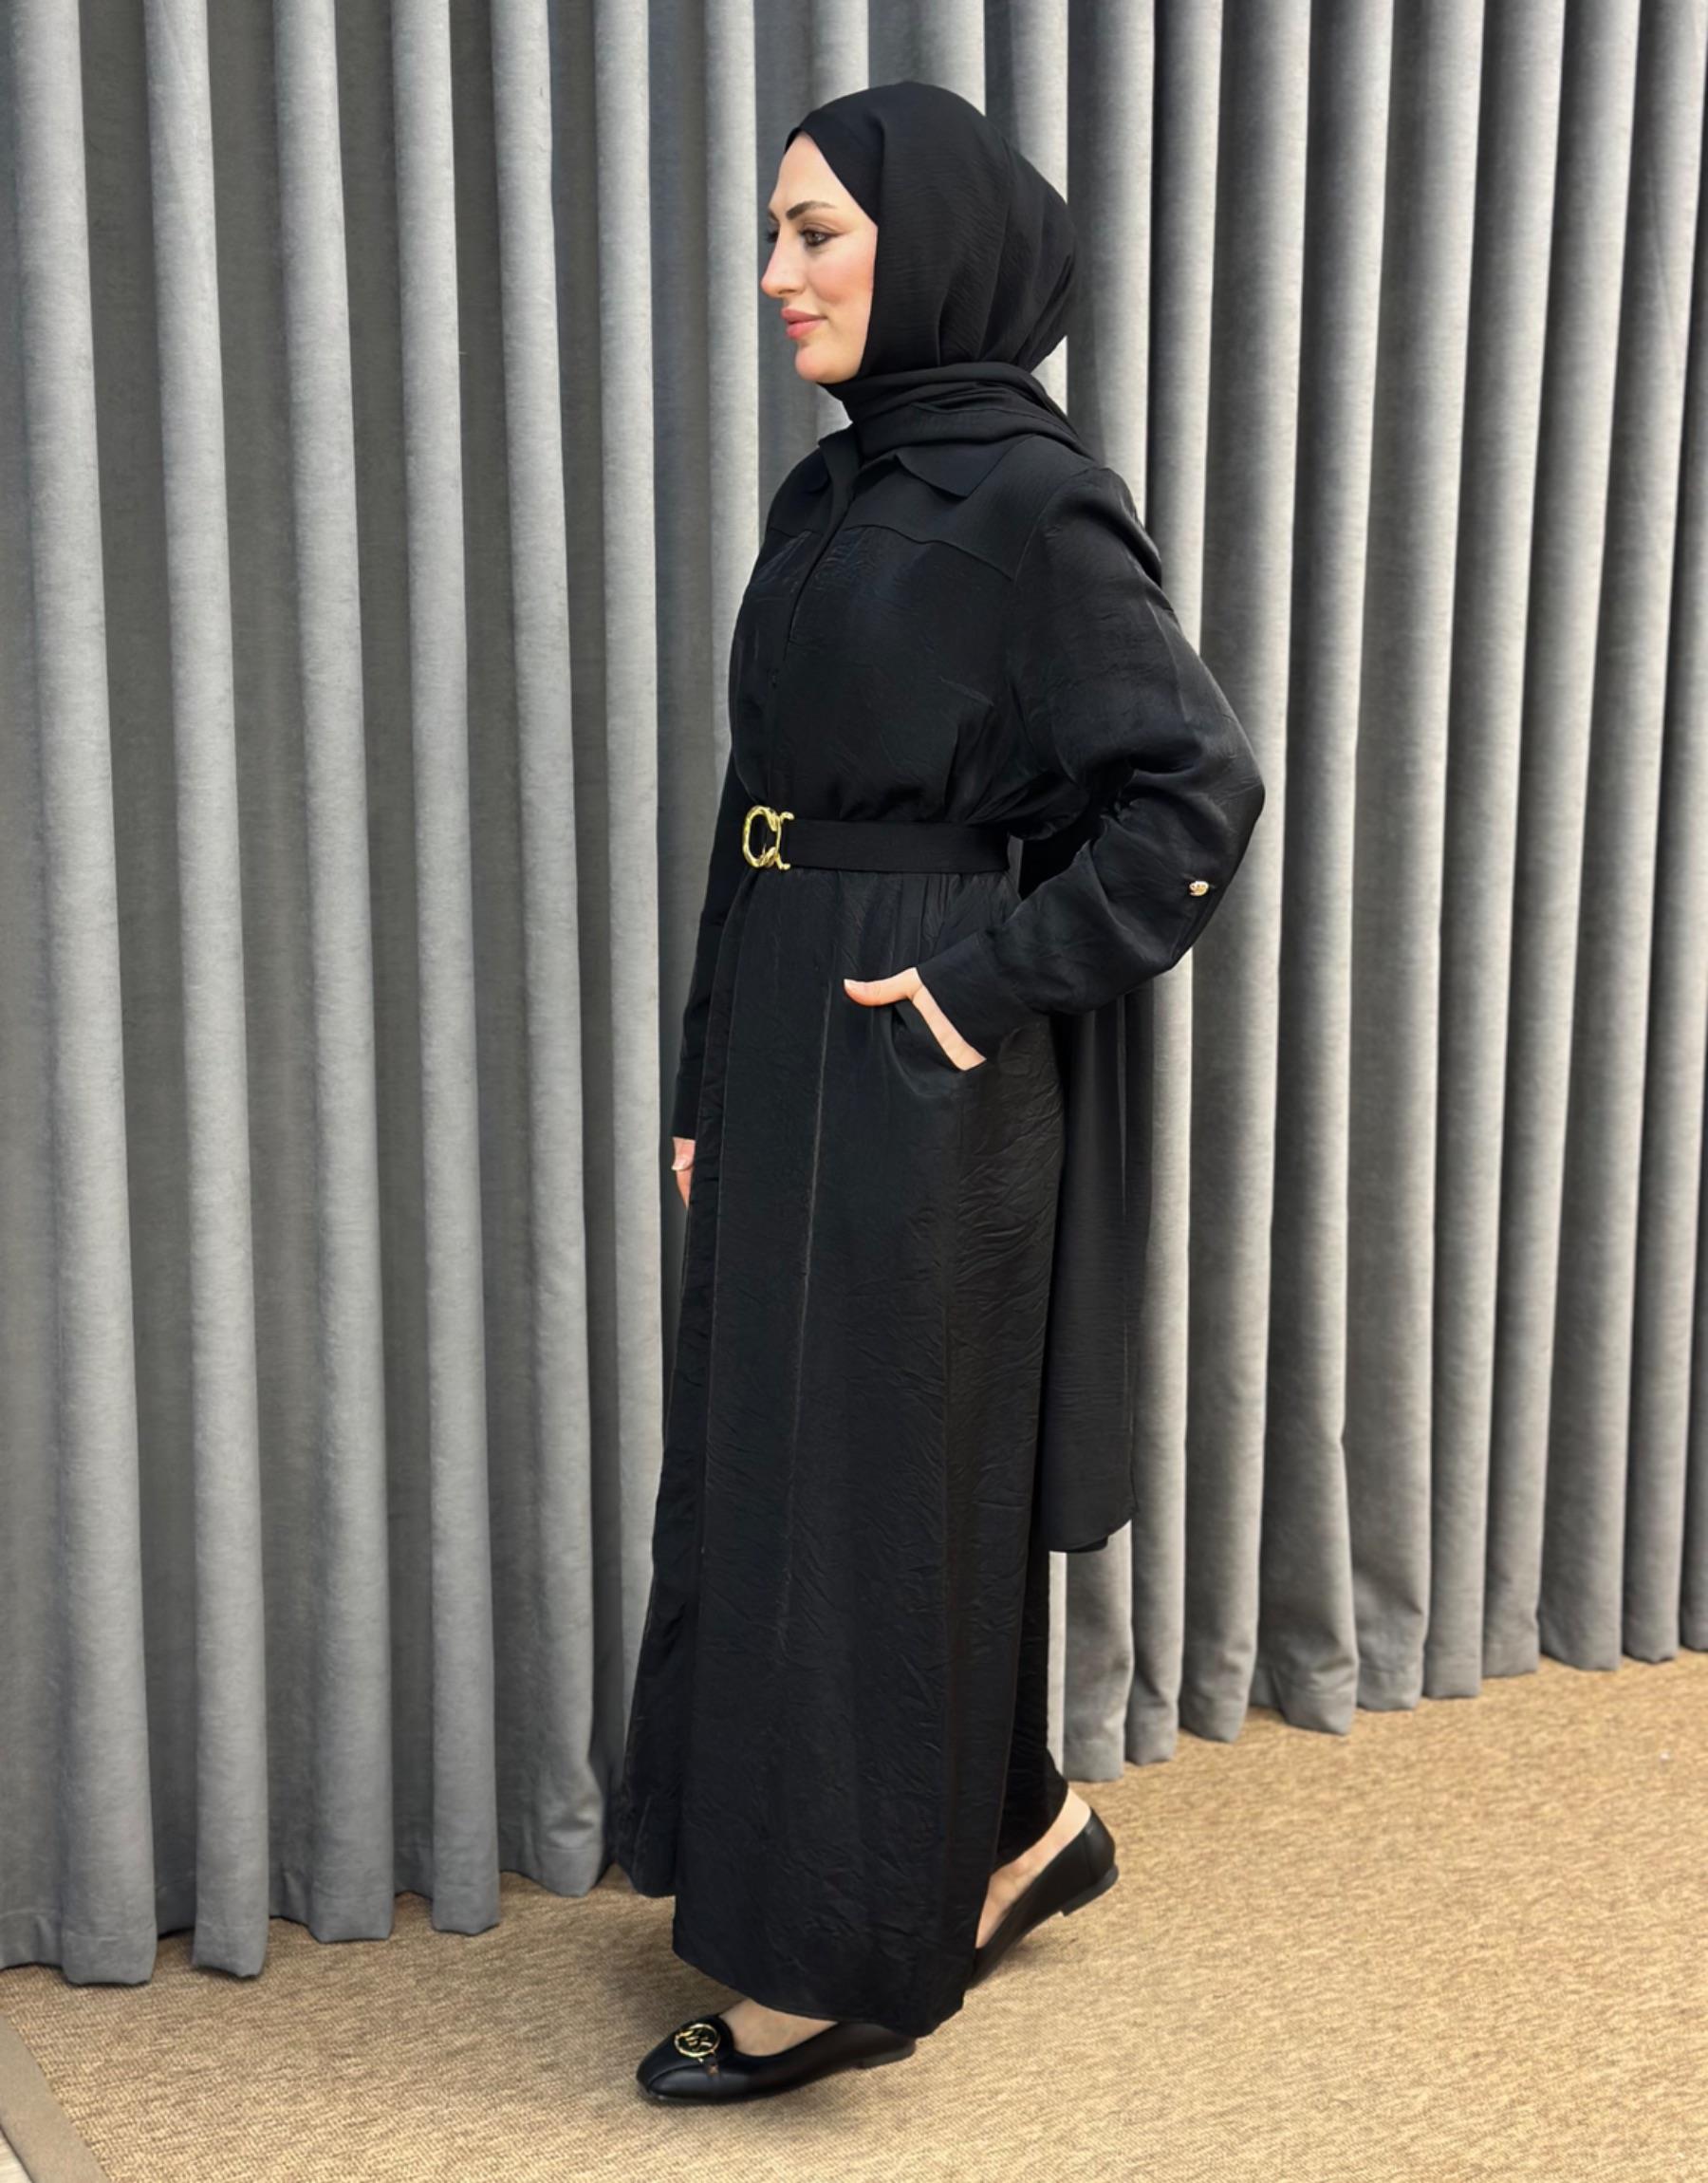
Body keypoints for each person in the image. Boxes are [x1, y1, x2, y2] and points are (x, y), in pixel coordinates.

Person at [612, 80, 1266, 2104]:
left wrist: (980, 991)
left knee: (870, 1502)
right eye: (776, 231)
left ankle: (838, 1965)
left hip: (917, 1060)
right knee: (783, 1468)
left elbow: (1190, 793)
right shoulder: (829, 495)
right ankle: (1014, 1829)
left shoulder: (1032, 503)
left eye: (815, 231)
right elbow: (760, 813)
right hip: (790, 1031)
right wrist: (710, 1073)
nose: (776, 272)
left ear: (940, 249)